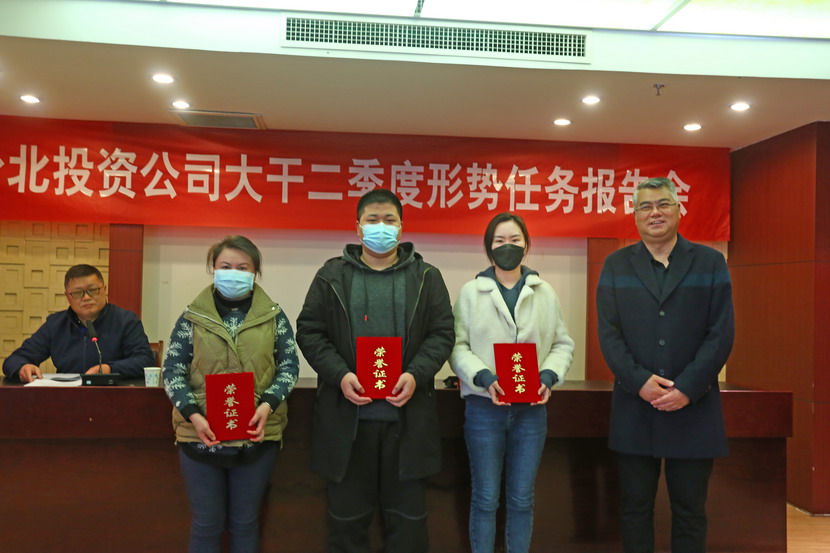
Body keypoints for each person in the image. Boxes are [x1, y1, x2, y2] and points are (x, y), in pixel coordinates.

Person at [296, 188, 455, 553]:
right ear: (358, 227)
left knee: (408, 528)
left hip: (408, 423)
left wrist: (416, 374)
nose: (380, 226)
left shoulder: (427, 276)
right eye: (372, 220)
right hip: (348, 425)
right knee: (346, 526)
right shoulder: (331, 275)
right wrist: (340, 374)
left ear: (401, 227)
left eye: (389, 220)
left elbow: (442, 333)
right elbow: (309, 331)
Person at [596, 177, 735, 553]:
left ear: (678, 209)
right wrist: (640, 382)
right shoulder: (616, 265)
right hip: (635, 406)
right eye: (645, 206)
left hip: (694, 407)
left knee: (690, 511)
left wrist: (687, 388)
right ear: (634, 215)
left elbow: (721, 333)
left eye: (663, 204)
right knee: (634, 509)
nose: (654, 212)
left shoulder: (709, 262)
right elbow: (609, 334)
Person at [162, 235, 299, 553]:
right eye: (225, 266)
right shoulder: (192, 317)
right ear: (213, 269)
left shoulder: (273, 316)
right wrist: (194, 416)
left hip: (256, 437)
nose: (233, 273)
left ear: (255, 272)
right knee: (206, 524)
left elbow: (289, 367)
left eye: (243, 267)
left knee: (245, 523)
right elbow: (172, 371)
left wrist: (267, 405)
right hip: (199, 437)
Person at [449, 212, 574, 553]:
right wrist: (483, 376)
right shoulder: (471, 292)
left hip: (531, 411)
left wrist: (548, 375)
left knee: (521, 498)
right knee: (486, 497)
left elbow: (562, 344)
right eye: (500, 241)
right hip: (483, 408)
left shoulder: (544, 292)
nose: (508, 246)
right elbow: (457, 346)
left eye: (515, 240)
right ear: (489, 248)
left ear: (526, 245)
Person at [2, 263, 154, 382]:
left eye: (92, 290)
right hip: (66, 399)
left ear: (104, 290)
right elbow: (13, 361)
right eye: (77, 293)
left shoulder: (126, 321)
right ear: (68, 297)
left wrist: (109, 369)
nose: (86, 297)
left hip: (113, 396)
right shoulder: (56, 324)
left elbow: (145, 361)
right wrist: (22, 367)